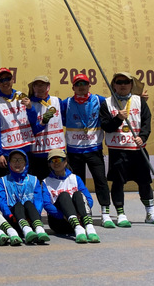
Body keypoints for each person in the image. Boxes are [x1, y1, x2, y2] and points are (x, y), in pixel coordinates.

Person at [100, 72, 154, 227]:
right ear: (114, 85)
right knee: (118, 182)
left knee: (144, 181)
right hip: (118, 150)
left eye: (126, 82)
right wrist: (118, 119)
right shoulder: (107, 103)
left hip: (137, 148)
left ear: (131, 85)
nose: (122, 85)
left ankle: (150, 212)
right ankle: (121, 214)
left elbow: (146, 122)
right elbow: (105, 126)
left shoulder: (139, 101)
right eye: (119, 82)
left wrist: (142, 137)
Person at [60, 73, 113, 228]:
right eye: (78, 84)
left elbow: (118, 104)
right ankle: (81, 213)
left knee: (101, 181)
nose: (81, 87)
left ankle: (105, 214)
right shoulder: (66, 103)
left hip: (94, 148)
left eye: (84, 84)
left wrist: (140, 99)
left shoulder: (99, 100)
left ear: (89, 85)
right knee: (77, 184)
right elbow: (59, 118)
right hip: (74, 151)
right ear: (73, 87)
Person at [42, 149, 100, 243]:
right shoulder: (46, 182)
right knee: (64, 195)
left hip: (79, 218)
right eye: (53, 160)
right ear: (49, 164)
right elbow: (47, 204)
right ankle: (78, 229)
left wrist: (79, 213)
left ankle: (90, 228)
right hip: (60, 222)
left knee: (78, 194)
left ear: (65, 161)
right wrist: (63, 215)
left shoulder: (75, 178)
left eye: (59, 160)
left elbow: (88, 199)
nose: (56, 163)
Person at [0, 149, 50, 244]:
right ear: (9, 163)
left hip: (32, 218)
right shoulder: (3, 180)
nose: (17, 163)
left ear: (25, 162)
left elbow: (38, 200)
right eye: (14, 160)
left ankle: (39, 230)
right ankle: (26, 230)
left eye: (20, 160)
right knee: (18, 205)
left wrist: (36, 214)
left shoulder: (34, 179)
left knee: (28, 203)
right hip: (14, 218)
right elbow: (2, 202)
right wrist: (9, 215)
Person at [0, 68, 34, 180]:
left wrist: (30, 108)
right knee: (10, 183)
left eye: (7, 79)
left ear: (13, 80)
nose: (5, 82)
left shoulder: (22, 96)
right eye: (1, 80)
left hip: (27, 147)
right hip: (8, 151)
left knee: (28, 182)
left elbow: (33, 120)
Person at [25, 76, 67, 182]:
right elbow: (29, 130)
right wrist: (42, 123)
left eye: (42, 85)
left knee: (59, 183)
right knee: (38, 184)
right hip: (38, 153)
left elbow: (64, 120)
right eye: (37, 85)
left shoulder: (57, 101)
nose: (40, 88)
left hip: (56, 151)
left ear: (48, 86)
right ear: (33, 87)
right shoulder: (29, 104)